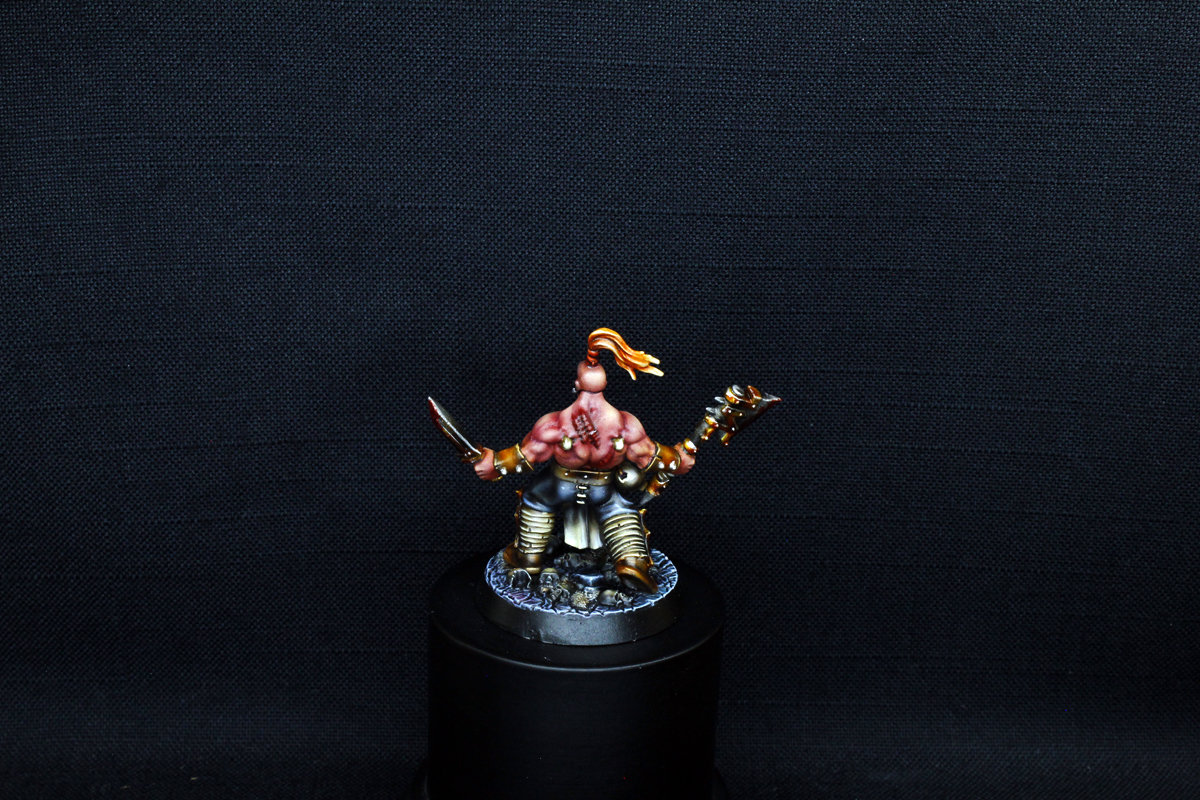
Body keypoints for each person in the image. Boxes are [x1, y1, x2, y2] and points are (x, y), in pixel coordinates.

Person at [472, 329, 694, 593]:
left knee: (535, 499)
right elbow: (651, 456)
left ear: (577, 383)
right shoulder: (625, 425)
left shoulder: (555, 423)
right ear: (605, 383)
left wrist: (494, 464)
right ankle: (631, 561)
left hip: (559, 486)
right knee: (619, 508)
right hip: (602, 488)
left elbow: (525, 456)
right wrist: (678, 460)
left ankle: (529, 557)